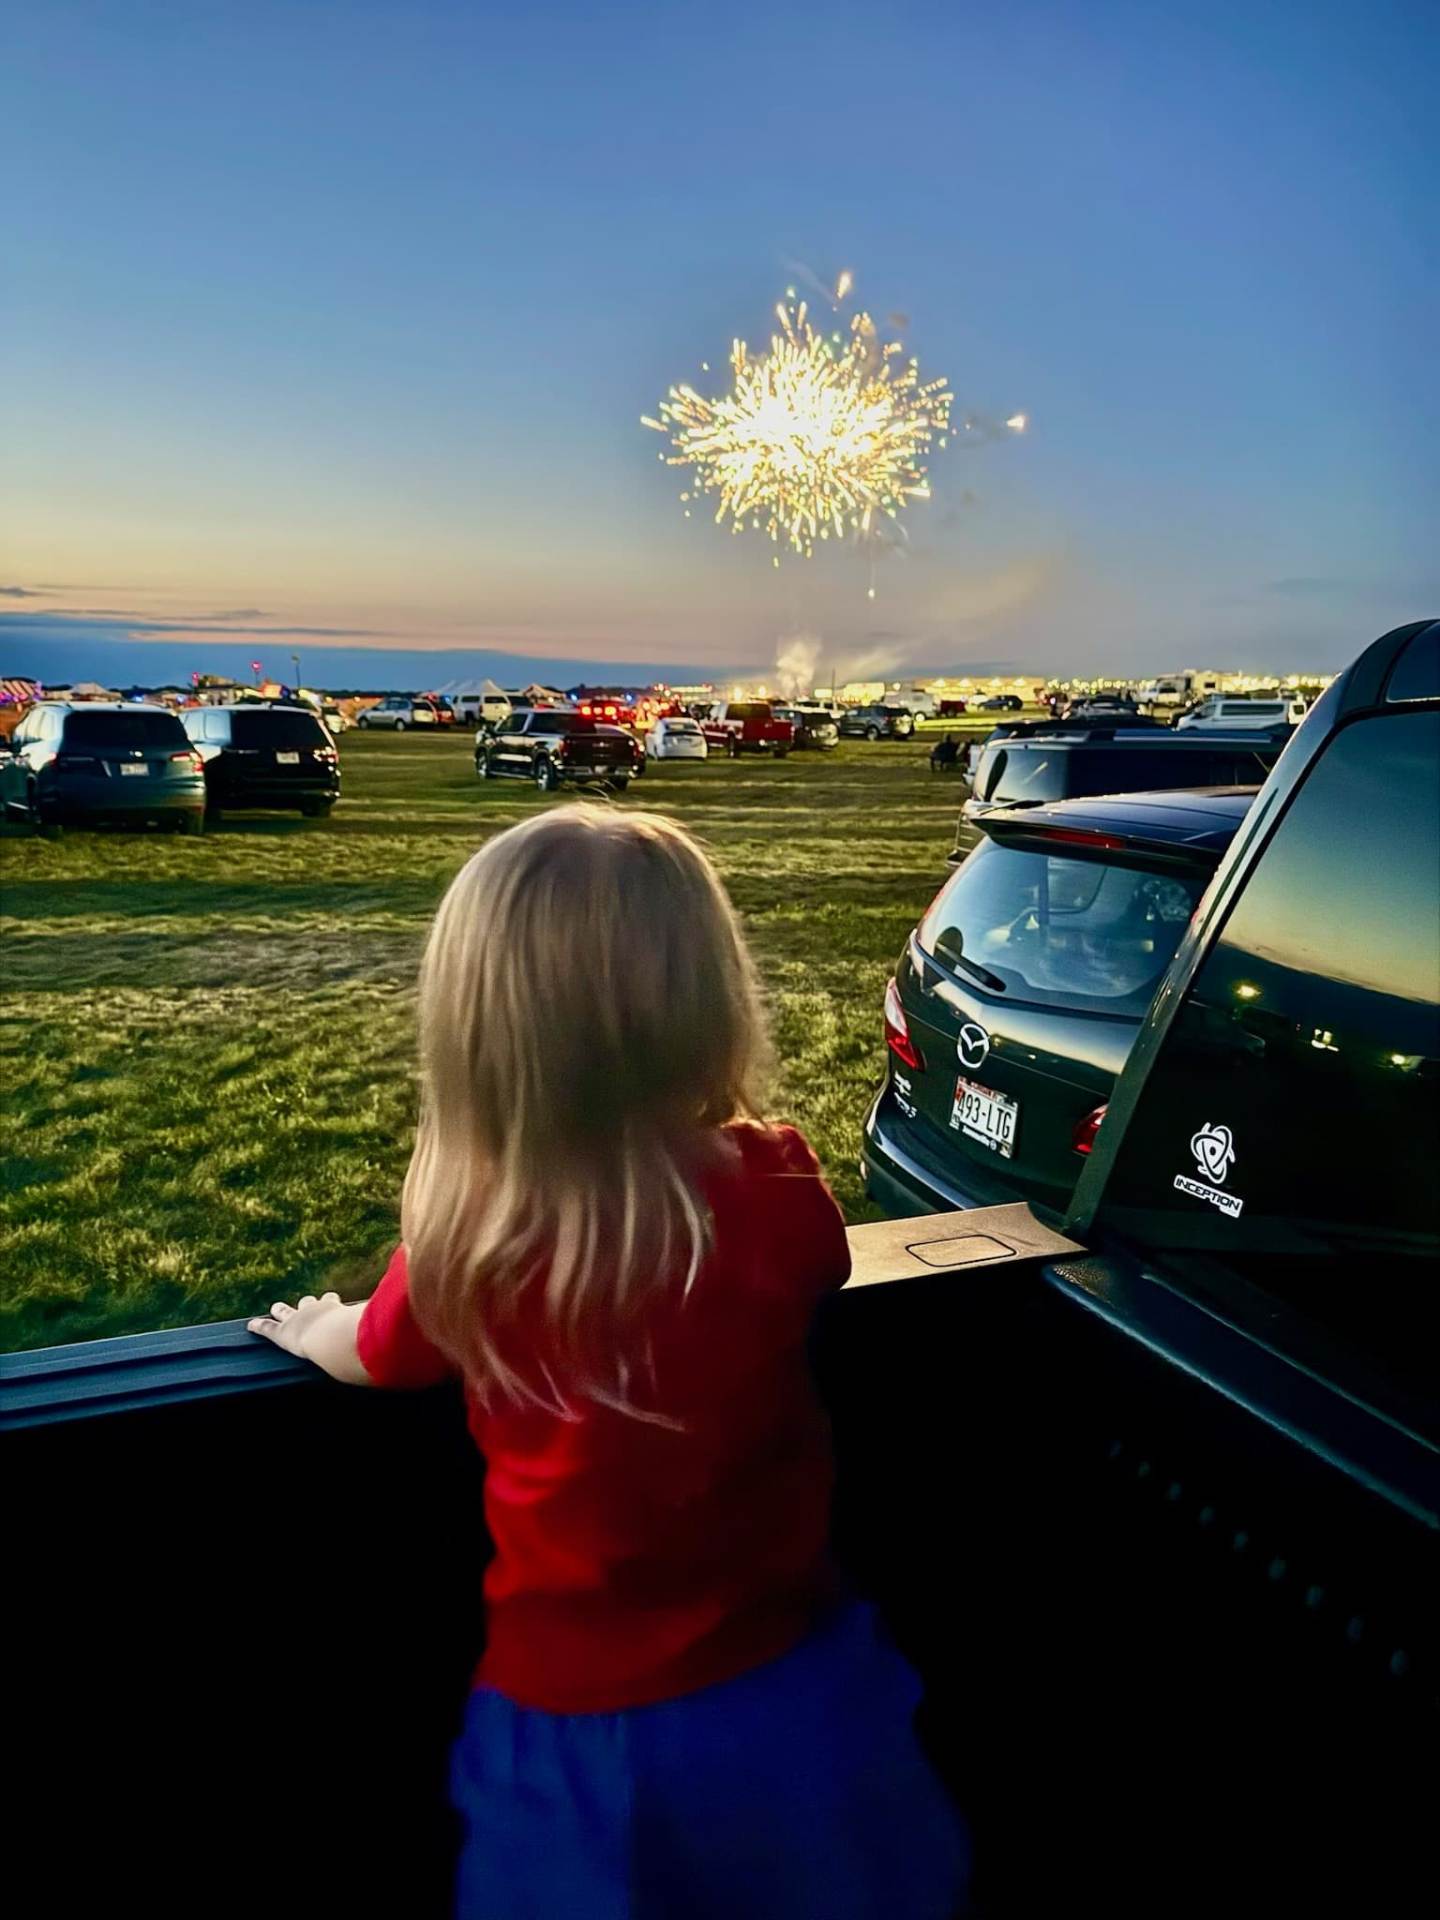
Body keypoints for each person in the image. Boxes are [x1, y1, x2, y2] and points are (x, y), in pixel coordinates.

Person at [250, 806, 971, 1920]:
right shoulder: (774, 1191)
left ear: (481, 1032)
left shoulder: (473, 1244)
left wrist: (311, 1329)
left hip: (575, 1722)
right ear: (703, 1000)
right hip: (798, 1687)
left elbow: (378, 1357)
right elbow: (823, 1265)